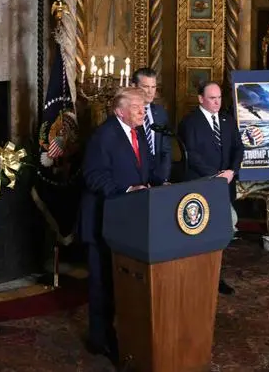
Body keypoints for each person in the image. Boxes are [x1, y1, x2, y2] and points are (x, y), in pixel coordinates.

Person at [80, 86, 163, 363]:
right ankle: (100, 340)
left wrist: (160, 184)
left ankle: (126, 334)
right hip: (103, 221)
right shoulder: (103, 136)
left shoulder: (139, 132)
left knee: (123, 282)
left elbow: (146, 169)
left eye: (143, 107)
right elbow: (94, 175)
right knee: (102, 284)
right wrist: (126, 190)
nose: (142, 112)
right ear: (120, 111)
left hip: (129, 222)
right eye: (137, 107)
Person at [177, 80, 243, 295]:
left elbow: (238, 148)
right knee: (202, 233)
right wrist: (216, 175)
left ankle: (216, 275)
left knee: (224, 229)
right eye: (212, 98)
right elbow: (191, 155)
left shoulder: (227, 120)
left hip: (226, 184)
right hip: (201, 185)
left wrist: (231, 171)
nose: (217, 102)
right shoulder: (189, 123)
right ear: (201, 99)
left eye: (219, 98)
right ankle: (198, 275)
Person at [132, 67, 172, 183]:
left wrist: (163, 178)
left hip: (158, 174)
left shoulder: (160, 112)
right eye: (145, 87)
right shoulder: (128, 113)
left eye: (153, 87)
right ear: (134, 86)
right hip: (136, 175)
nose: (150, 92)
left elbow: (166, 149)